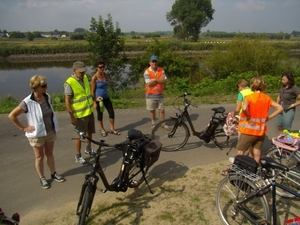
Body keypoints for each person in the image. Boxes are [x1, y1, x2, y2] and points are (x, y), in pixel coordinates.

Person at [8, 75, 65, 189]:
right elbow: (12, 115)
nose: (46, 87)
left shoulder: (47, 97)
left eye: (46, 85)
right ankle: (42, 178)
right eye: (43, 86)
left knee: (50, 154)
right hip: (37, 134)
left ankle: (53, 173)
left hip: (49, 131)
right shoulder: (27, 102)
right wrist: (23, 128)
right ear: (36, 87)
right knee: (39, 157)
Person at [236, 76, 283, 163]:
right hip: (260, 131)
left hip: (248, 131)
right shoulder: (266, 98)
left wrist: (249, 117)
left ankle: (239, 170)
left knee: (240, 152)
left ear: (252, 85)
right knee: (257, 152)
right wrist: (268, 118)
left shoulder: (248, 97)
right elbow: (280, 108)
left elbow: (244, 108)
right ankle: (255, 170)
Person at [64, 61, 96, 166]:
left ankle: (88, 149)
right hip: (79, 115)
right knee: (79, 136)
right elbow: (67, 101)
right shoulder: (70, 82)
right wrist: (72, 117)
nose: (82, 74)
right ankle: (78, 156)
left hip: (89, 111)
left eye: (83, 72)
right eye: (80, 72)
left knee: (90, 132)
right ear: (74, 71)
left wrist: (94, 101)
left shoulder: (85, 78)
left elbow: (88, 92)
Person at [91, 60, 120, 137]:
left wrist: (105, 89)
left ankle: (112, 129)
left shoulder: (105, 75)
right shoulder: (95, 77)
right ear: (96, 68)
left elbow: (107, 83)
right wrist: (94, 101)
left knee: (111, 113)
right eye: (100, 67)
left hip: (106, 97)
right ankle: (102, 129)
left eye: (103, 67)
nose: (102, 68)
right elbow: (92, 91)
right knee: (100, 114)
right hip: (99, 99)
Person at [144, 55, 168, 129]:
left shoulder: (161, 70)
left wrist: (155, 80)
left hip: (160, 94)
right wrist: (159, 80)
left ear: (157, 62)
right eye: (153, 61)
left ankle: (163, 124)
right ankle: (153, 123)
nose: (154, 63)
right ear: (150, 63)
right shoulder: (147, 72)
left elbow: (164, 81)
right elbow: (149, 83)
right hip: (150, 95)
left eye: (155, 61)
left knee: (162, 110)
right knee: (152, 110)